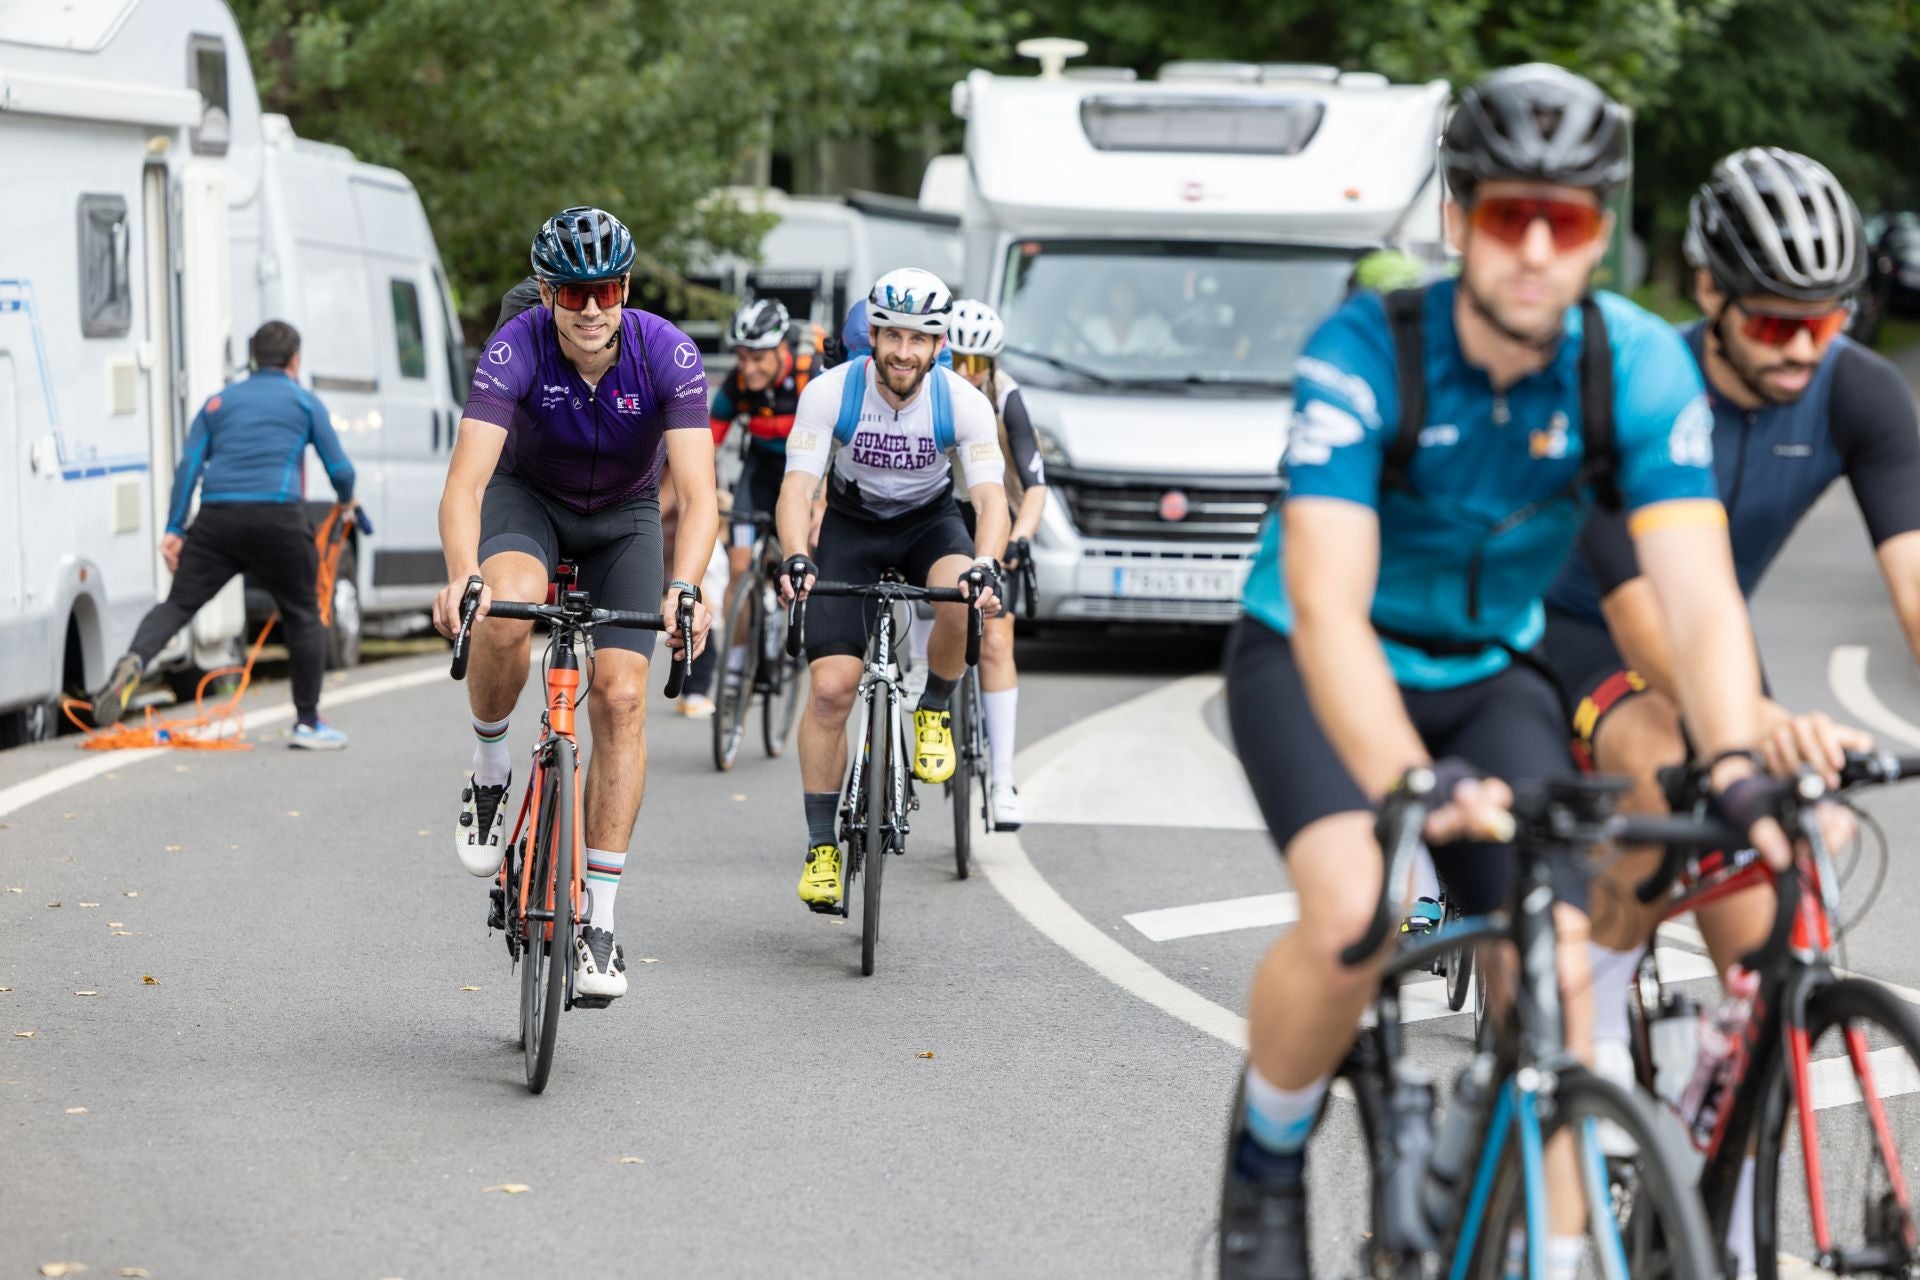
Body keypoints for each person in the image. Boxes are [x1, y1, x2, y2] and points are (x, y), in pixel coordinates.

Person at [1218, 65, 1798, 1280]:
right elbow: (1327, 605)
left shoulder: (1630, 364)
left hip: (1489, 667)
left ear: (1599, 233)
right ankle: (1266, 1159)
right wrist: (1409, 776)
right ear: (1458, 215)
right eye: (1508, 214)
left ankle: (1536, 1237)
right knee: (1358, 913)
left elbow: (1698, 597)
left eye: (1566, 219)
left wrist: (1738, 759)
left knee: (1563, 980)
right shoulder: (1368, 349)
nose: (1536, 248)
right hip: (1319, 660)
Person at [1542, 148, 1903, 1270]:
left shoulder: (1858, 387)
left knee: (1774, 931)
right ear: (1709, 292)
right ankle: (1596, 1072)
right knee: (1668, 760)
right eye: (1775, 321)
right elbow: (1646, 620)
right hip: (1583, 632)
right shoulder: (1645, 383)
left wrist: (1745, 711)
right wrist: (1745, 718)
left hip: (1710, 645)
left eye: (1827, 320)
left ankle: (1722, 1206)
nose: (1804, 347)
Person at [431, 206, 717, 1002]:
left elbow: (700, 495)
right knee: (506, 605)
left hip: (624, 518)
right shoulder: (514, 346)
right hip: (529, 502)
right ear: (547, 291)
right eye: (572, 293)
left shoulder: (668, 351)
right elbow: (466, 484)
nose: (590, 309)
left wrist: (686, 587)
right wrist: (462, 573)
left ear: (625, 288)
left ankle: (601, 924)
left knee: (622, 696)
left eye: (606, 290)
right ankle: (491, 770)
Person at [777, 268, 1008, 911]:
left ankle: (933, 707)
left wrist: (986, 562)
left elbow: (990, 498)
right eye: (893, 336)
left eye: (919, 339)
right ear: (874, 336)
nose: (904, 352)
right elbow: (797, 487)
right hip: (851, 527)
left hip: (928, 524)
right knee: (830, 691)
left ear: (938, 346)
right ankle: (822, 848)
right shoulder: (830, 392)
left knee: (963, 594)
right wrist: (796, 555)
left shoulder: (962, 402)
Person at [88, 321, 355, 749]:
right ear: (295, 359)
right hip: (279, 519)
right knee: (303, 614)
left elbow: (188, 467)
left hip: (217, 521)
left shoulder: (218, 403)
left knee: (178, 605)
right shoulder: (305, 402)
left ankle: (135, 660)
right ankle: (308, 723)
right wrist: (345, 502)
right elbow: (340, 470)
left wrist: (175, 529)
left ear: (252, 358)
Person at [946, 299, 1047, 829]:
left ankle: (1003, 780)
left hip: (996, 512)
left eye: (977, 363)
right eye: (958, 359)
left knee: (997, 641)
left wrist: (1020, 540)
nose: (966, 372)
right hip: (941, 512)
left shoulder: (1006, 396)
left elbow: (1036, 487)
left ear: (992, 363)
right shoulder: (929, 389)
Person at [710, 298, 816, 705]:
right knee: (738, 569)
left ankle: (792, 627)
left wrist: (822, 502)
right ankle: (736, 667)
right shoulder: (737, 385)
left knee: (804, 557)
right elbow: (705, 444)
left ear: (781, 349)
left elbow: (837, 445)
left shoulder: (809, 378)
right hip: (759, 475)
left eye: (757, 358)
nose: (748, 368)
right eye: (741, 357)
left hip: (804, 476)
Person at [1077, 272, 1173, 357]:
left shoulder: (1152, 325)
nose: (1124, 297)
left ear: (1137, 294)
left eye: (1127, 290)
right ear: (1109, 296)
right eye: (1118, 291)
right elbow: (1079, 359)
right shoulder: (1093, 326)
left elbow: (1174, 355)